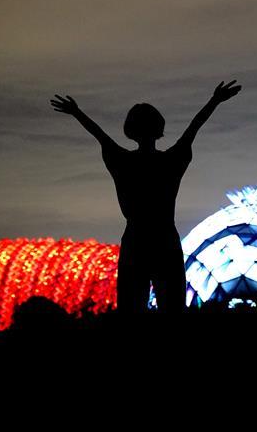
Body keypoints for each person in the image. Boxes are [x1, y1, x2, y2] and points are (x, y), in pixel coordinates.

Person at [50, 80, 242, 313]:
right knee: (172, 308)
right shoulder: (171, 161)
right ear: (159, 128)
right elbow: (193, 129)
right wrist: (214, 101)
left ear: (130, 130)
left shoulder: (122, 162)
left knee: (131, 309)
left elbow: (99, 135)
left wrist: (76, 112)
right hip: (165, 241)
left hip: (136, 241)